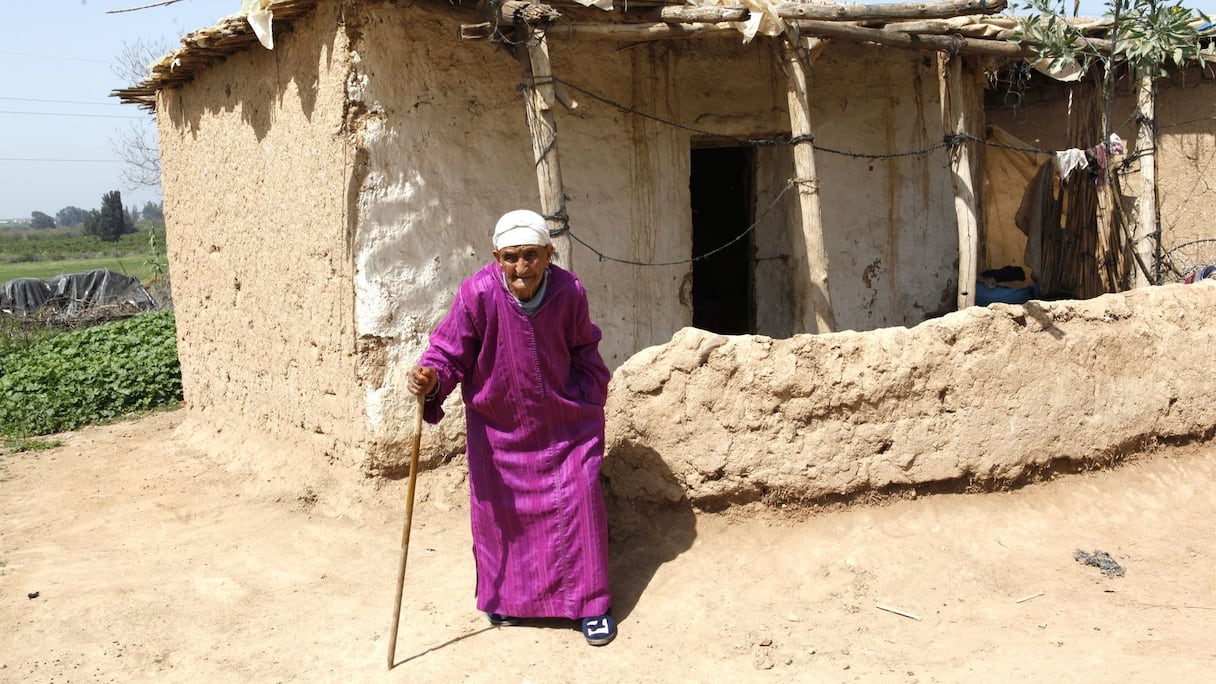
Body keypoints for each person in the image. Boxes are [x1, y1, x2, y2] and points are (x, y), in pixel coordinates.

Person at [406, 209, 617, 646]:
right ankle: (509, 600)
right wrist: (431, 377)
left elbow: (583, 345)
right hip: (499, 427)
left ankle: (592, 606)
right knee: (500, 515)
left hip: (564, 423)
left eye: (532, 256)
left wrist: (588, 394)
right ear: (496, 257)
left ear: (549, 255)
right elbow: (447, 352)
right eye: (512, 257)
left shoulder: (569, 290)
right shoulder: (477, 293)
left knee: (579, 499)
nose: (522, 268)